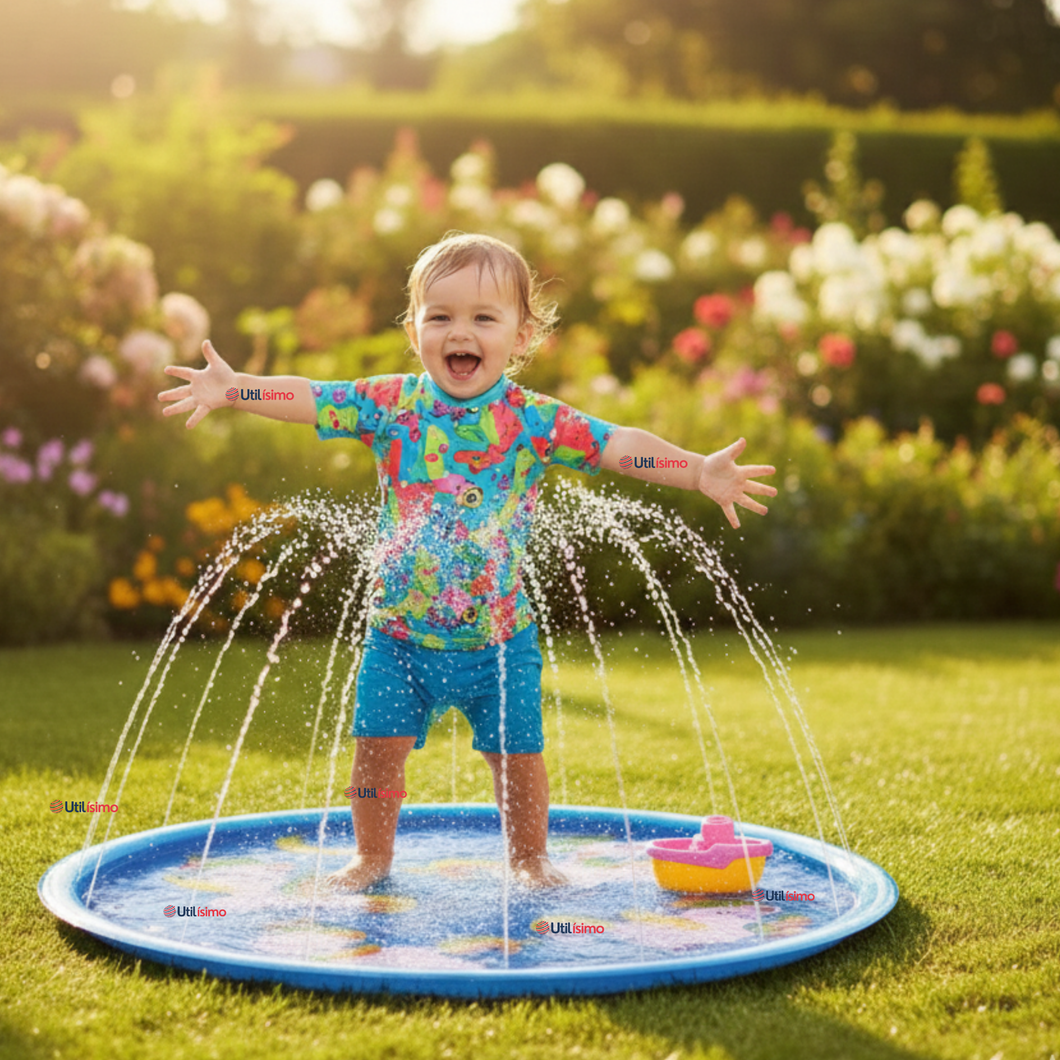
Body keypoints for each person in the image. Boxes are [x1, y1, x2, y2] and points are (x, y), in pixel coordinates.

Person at [158, 232, 777, 891]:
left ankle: (530, 859)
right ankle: (370, 858)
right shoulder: (391, 405)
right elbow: (312, 396)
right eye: (441, 316)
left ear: (521, 335)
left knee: (518, 759)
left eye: (484, 317)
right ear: (414, 329)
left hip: (500, 640)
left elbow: (618, 447)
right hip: (398, 636)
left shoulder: (532, 421)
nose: (461, 332)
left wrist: (695, 471)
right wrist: (238, 390)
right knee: (375, 758)